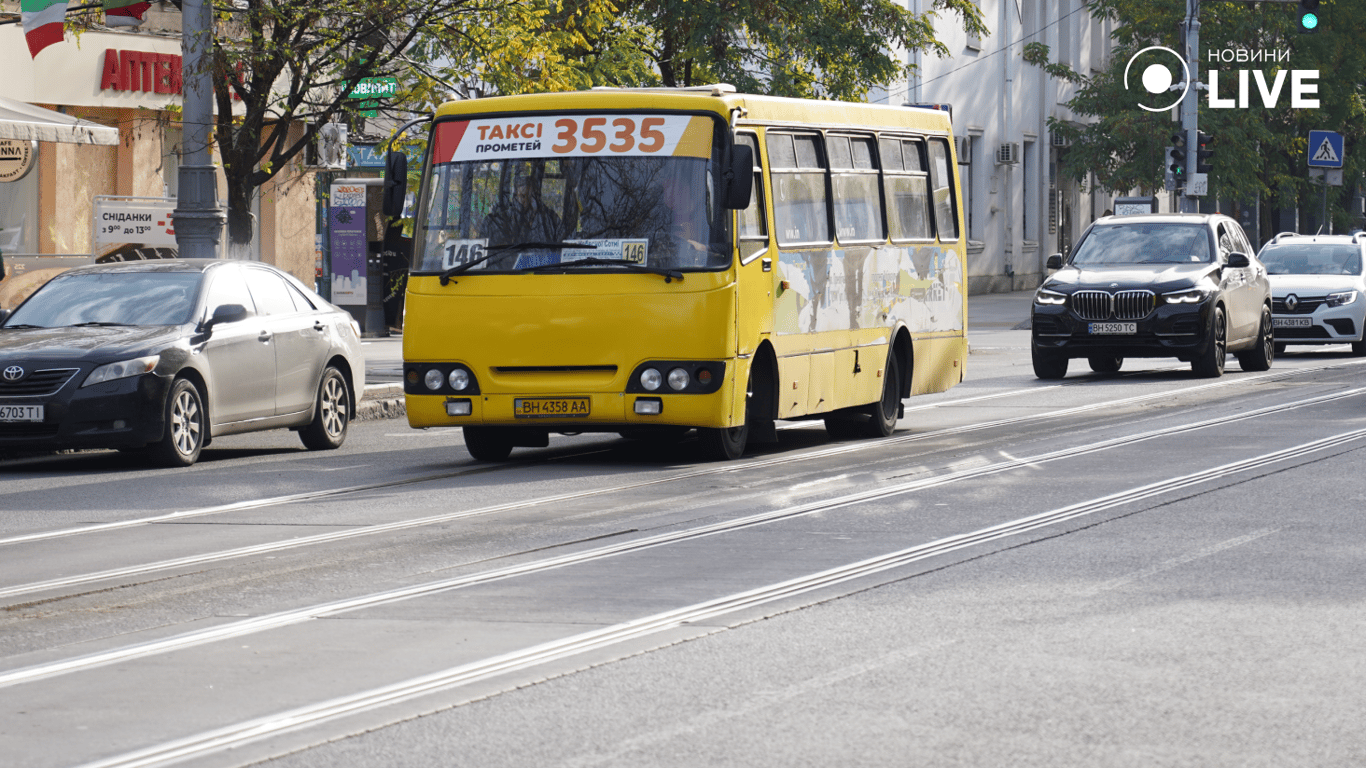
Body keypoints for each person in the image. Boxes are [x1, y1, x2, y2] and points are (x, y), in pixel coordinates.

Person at [486, 167, 561, 246]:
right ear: (515, 197)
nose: (525, 200)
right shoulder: (504, 219)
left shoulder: (549, 219)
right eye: (522, 196)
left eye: (529, 196)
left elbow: (560, 242)